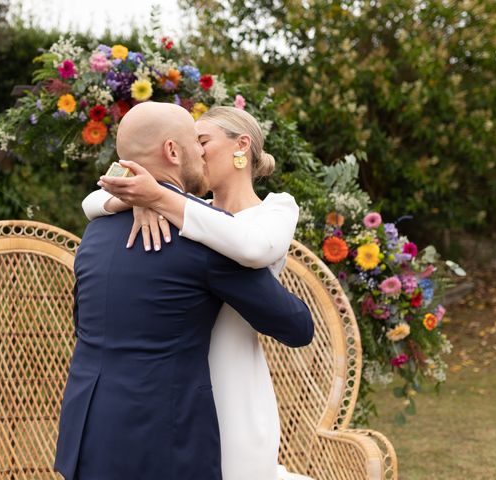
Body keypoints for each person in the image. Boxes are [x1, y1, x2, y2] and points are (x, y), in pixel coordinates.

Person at [53, 102, 314, 480]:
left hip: (89, 431)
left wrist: (156, 197)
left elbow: (83, 321)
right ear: (173, 151)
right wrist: (153, 199)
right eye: (197, 141)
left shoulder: (96, 233)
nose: (202, 152)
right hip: (166, 434)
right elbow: (296, 326)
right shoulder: (198, 237)